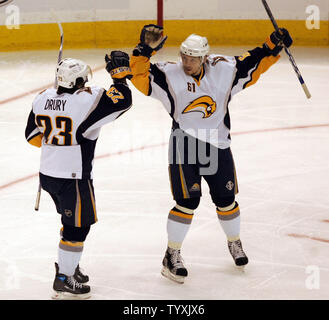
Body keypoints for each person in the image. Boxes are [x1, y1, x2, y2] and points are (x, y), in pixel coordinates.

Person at [130, 25, 292, 283]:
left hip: (218, 144)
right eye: (184, 56)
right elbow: (140, 76)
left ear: (205, 57)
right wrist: (143, 50)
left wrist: (273, 45)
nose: (186, 63)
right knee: (187, 202)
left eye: (192, 58)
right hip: (185, 143)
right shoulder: (170, 74)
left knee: (226, 200)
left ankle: (234, 242)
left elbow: (253, 62)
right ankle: (172, 254)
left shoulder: (225, 70)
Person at [25, 51, 133, 298]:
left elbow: (31, 136)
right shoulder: (87, 100)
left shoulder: (42, 98)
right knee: (78, 227)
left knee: (69, 221)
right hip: (72, 176)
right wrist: (119, 78)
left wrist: (56, 139)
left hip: (48, 175)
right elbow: (122, 101)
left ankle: (68, 265)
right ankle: (64, 277)